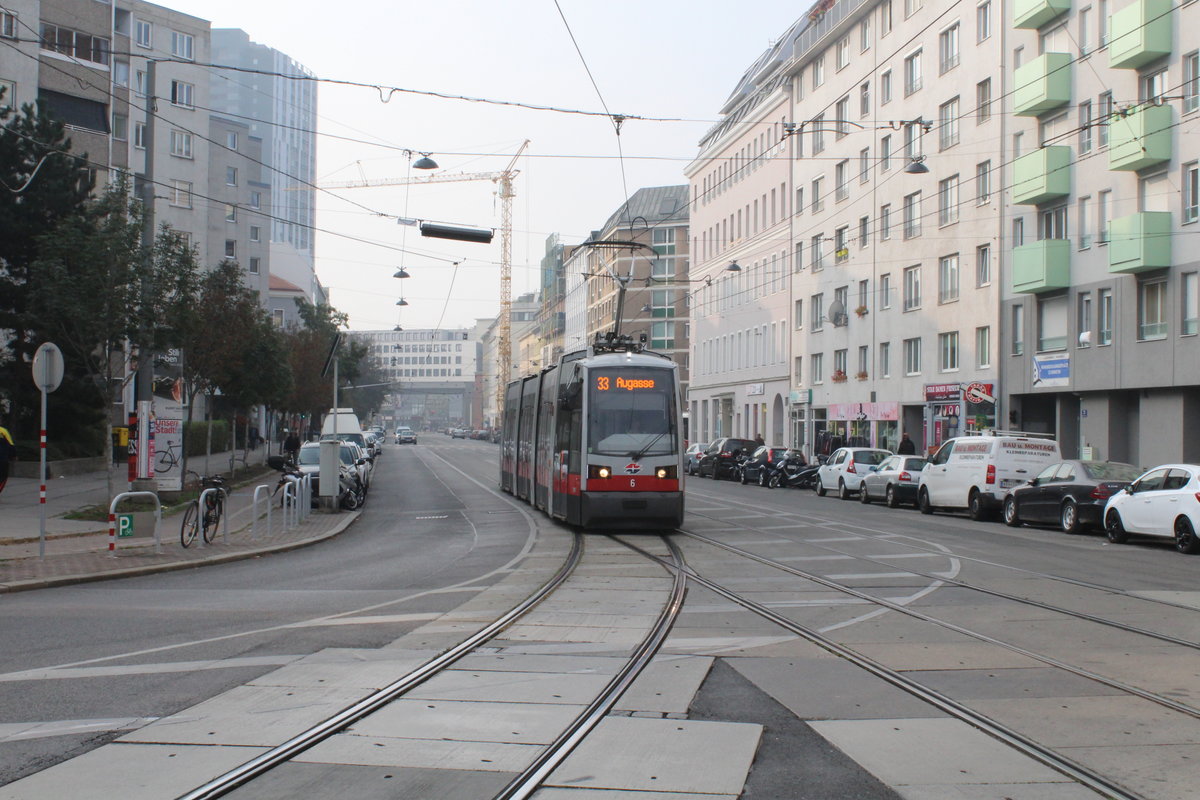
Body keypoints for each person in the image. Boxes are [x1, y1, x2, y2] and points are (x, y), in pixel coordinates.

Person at [0, 419, 16, 499]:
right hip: (2, 459)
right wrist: (13, 456)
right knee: (3, 476)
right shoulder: (3, 431)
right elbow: (11, 444)